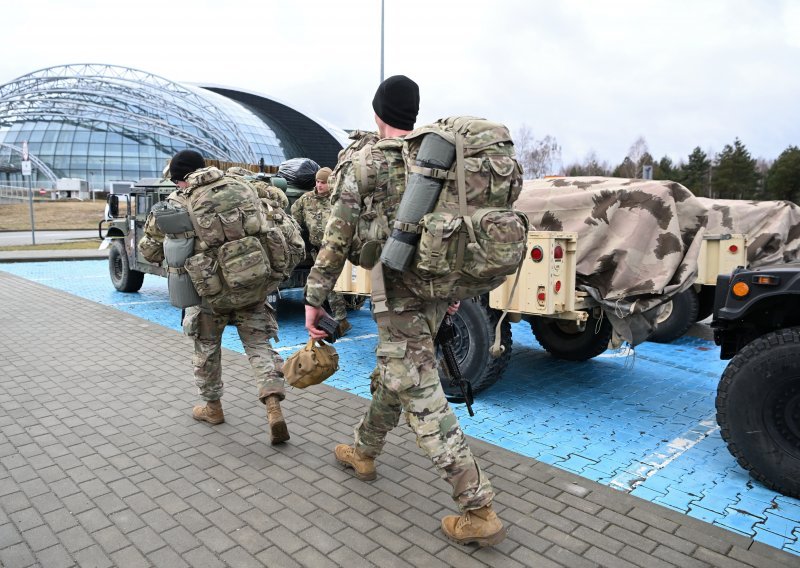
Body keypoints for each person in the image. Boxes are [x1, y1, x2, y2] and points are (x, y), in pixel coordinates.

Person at [303, 76, 506, 547]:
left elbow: (337, 236)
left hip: (397, 296)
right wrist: (454, 287)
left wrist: (315, 298)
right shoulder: (434, 158)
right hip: (436, 290)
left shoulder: (366, 160)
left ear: (378, 113)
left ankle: (478, 507)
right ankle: (363, 449)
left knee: (422, 396)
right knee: (396, 374)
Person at [138, 150, 291, 445]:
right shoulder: (240, 186)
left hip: (209, 293)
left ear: (180, 179)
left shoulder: (177, 203)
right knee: (258, 345)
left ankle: (213, 408)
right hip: (252, 283)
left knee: (206, 349)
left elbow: (150, 251)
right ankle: (273, 404)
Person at [291, 166, 351, 336]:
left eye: (323, 182)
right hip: (317, 249)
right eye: (317, 181)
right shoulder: (306, 199)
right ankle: (339, 319)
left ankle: (340, 319)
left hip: (335, 249)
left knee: (331, 285)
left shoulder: (337, 200)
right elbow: (295, 219)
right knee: (322, 284)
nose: (319, 185)